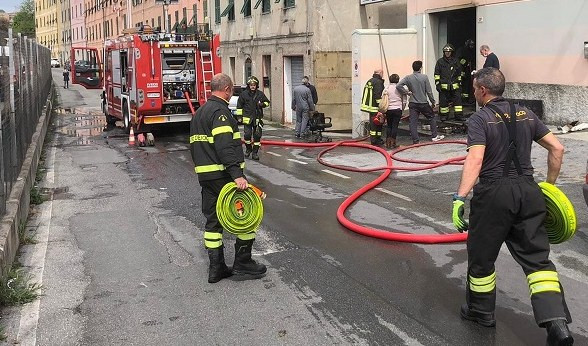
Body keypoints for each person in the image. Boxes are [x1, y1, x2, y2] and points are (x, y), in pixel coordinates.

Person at [452, 67, 573, 345]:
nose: (473, 92)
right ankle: (557, 324)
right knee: (538, 261)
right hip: (529, 191)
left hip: (494, 193)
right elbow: (558, 149)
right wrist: (549, 188)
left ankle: (481, 312)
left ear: (482, 90)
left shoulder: (480, 119)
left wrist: (460, 198)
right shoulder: (527, 114)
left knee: (482, 256)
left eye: (473, 88)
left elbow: (475, 160)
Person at [190, 73, 267, 284]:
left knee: (213, 222)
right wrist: (237, 175)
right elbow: (224, 145)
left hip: (206, 177)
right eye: (232, 89)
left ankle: (217, 269)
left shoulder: (199, 113)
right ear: (227, 89)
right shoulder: (220, 112)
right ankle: (243, 263)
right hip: (223, 175)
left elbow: (196, 147)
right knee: (246, 216)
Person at [396, 61, 444, 144]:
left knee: (413, 121)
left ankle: (415, 140)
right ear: (420, 68)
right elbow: (429, 91)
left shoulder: (408, 78)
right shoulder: (424, 77)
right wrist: (433, 102)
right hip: (423, 103)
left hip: (413, 103)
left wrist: (406, 92)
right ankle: (434, 136)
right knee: (431, 117)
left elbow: (398, 85)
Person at [236, 76, 270, 160]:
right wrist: (239, 117)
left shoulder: (260, 94)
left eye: (254, 85)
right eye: (251, 85)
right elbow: (239, 106)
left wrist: (262, 104)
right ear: (248, 85)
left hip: (257, 119)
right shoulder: (244, 94)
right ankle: (248, 149)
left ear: (256, 85)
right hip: (247, 119)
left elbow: (267, 102)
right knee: (247, 135)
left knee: (257, 137)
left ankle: (255, 153)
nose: (252, 86)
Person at [434, 43, 463, 121]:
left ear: (452, 52)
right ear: (444, 52)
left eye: (449, 52)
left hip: (455, 85)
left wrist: (460, 83)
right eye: (446, 52)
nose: (447, 53)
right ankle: (444, 116)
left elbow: (459, 73)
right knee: (443, 102)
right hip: (444, 86)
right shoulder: (440, 62)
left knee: (458, 102)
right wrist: (437, 84)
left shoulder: (456, 61)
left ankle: (458, 116)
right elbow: (437, 74)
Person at [361, 69, 385, 146]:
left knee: (373, 124)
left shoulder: (370, 81)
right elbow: (377, 95)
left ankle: (375, 139)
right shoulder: (378, 82)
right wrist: (381, 107)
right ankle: (375, 140)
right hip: (375, 107)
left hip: (369, 106)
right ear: (380, 73)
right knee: (377, 124)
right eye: (382, 73)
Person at [383, 74, 404, 149]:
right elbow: (404, 99)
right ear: (398, 80)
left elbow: (384, 97)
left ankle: (388, 143)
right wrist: (403, 108)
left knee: (389, 125)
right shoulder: (400, 88)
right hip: (398, 109)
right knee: (395, 126)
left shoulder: (387, 88)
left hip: (389, 109)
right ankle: (393, 143)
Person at [456, 39, 476, 103]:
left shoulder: (471, 51)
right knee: (462, 85)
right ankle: (461, 100)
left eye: (472, 45)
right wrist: (465, 63)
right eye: (470, 45)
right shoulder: (461, 50)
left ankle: (466, 100)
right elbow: (458, 59)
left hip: (468, 71)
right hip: (461, 70)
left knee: (468, 85)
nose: (472, 47)